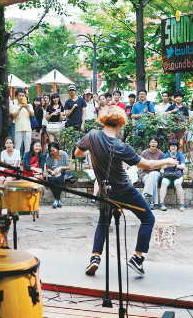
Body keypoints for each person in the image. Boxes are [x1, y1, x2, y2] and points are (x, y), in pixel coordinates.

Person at [76, 106, 177, 276]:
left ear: (104, 120)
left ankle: (95, 257)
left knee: (103, 222)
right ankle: (137, 258)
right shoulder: (120, 146)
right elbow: (148, 165)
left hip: (104, 191)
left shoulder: (91, 135)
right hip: (124, 190)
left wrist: (93, 150)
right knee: (148, 218)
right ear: (120, 124)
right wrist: (167, 160)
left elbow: (78, 152)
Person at [159, 139, 187, 211]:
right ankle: (161, 204)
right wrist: (168, 164)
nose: (173, 148)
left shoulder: (180, 155)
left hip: (177, 175)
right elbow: (162, 167)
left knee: (177, 184)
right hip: (167, 175)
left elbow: (183, 166)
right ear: (169, 147)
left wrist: (175, 165)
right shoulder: (166, 155)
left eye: (174, 146)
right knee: (163, 184)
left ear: (177, 147)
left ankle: (182, 204)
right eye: (171, 146)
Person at [139, 137, 164, 210]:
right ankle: (152, 202)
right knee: (153, 180)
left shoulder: (160, 153)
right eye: (152, 142)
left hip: (157, 173)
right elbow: (142, 167)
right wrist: (154, 166)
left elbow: (161, 167)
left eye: (155, 142)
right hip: (145, 174)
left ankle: (145, 194)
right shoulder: (144, 153)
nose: (153, 143)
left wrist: (150, 166)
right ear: (149, 143)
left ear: (157, 144)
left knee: (153, 174)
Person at [46, 141, 71, 209]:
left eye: (54, 150)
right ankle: (58, 199)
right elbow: (47, 169)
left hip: (62, 172)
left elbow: (68, 167)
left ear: (57, 148)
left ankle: (56, 200)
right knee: (51, 180)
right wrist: (51, 171)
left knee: (60, 180)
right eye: (51, 151)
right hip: (53, 173)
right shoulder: (49, 156)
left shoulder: (64, 154)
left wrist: (60, 167)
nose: (53, 153)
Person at [10, 89, 35, 155]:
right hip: (18, 129)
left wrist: (26, 107)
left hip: (28, 129)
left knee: (27, 148)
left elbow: (32, 114)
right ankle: (17, 163)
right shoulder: (14, 106)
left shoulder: (29, 106)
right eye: (20, 95)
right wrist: (20, 108)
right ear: (16, 97)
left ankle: (26, 162)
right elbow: (13, 115)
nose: (21, 97)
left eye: (23, 95)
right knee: (17, 147)